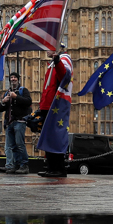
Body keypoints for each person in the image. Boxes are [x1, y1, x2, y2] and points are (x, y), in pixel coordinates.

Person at [37, 45, 71, 178]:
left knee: (55, 138)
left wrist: (56, 59)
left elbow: (64, 75)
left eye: (49, 48)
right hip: (47, 105)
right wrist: (41, 106)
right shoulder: (51, 65)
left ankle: (59, 169)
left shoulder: (63, 60)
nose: (46, 51)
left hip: (55, 105)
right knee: (48, 138)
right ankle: (51, 168)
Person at [0, 72, 32, 174]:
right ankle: (16, 166)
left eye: (15, 78)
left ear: (18, 79)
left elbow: (28, 102)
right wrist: (3, 101)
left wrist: (16, 97)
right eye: (11, 78)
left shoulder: (23, 90)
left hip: (20, 122)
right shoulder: (7, 92)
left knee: (20, 144)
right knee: (12, 146)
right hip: (9, 123)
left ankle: (24, 165)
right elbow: (0, 109)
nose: (13, 79)